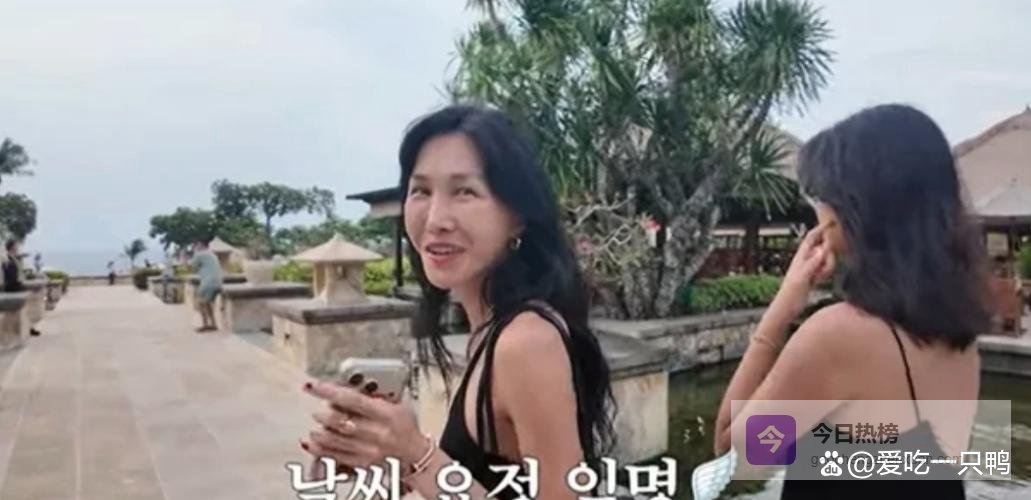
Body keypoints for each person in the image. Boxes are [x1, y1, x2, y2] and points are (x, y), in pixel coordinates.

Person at [300, 105, 616, 499]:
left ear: (518, 217)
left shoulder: (526, 341)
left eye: (464, 191)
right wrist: (391, 461)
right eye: (421, 191)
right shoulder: (490, 330)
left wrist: (417, 453)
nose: (436, 219)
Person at [713, 104, 990, 499]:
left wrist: (781, 310)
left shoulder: (838, 336)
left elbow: (733, 456)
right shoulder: (961, 336)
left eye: (821, 197)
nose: (819, 210)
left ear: (854, 209)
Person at [3, 239, 41, 336]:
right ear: (12, 247)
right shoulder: (8, 260)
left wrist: (21, 258)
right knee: (26, 305)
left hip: (16, 287)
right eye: (16, 246)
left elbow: (17, 268)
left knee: (27, 307)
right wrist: (22, 287)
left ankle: (29, 327)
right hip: (13, 289)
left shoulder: (13, 258)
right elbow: (11, 279)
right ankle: (28, 328)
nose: (17, 247)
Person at [188, 239, 223, 332]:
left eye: (196, 246)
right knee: (207, 303)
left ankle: (205, 324)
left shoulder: (199, 254)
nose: (194, 247)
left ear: (200, 245)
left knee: (200, 302)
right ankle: (213, 324)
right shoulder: (212, 254)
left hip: (208, 283)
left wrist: (184, 257)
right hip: (218, 282)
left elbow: (191, 267)